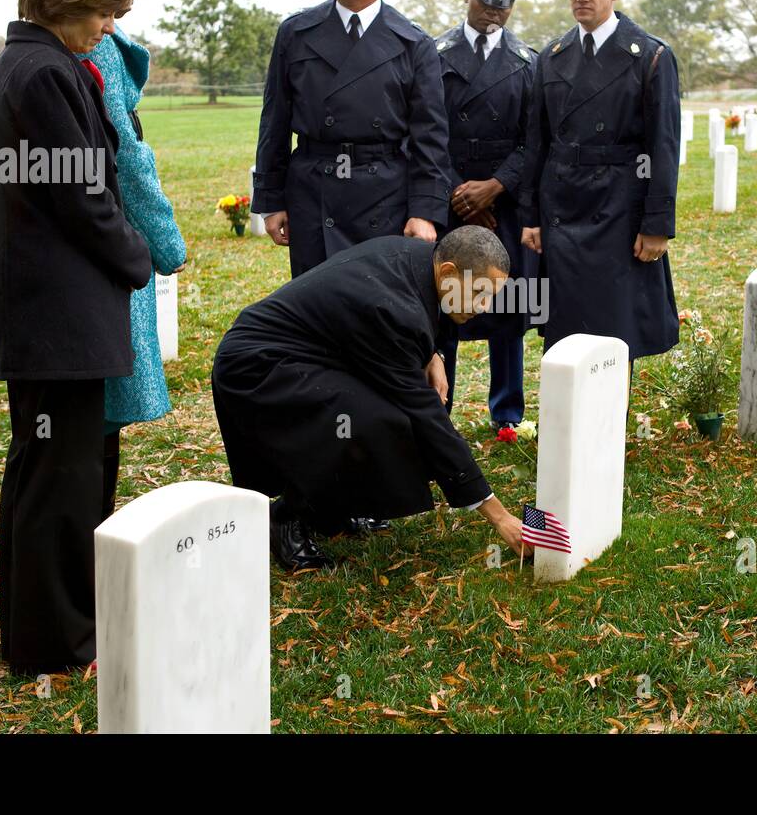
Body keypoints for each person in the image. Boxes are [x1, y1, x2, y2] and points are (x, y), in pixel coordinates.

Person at [0, 0, 149, 675]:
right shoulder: (45, 74)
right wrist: (138, 259)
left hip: (44, 312)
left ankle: (36, 631)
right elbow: (84, 197)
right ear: (62, 3)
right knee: (60, 483)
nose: (106, 28)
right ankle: (57, 642)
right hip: (59, 313)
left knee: (40, 473)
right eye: (101, 12)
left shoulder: (24, 66)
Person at [212, 227, 530, 571]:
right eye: (480, 293)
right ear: (450, 272)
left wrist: (432, 353)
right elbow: (426, 416)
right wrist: (500, 517)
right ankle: (286, 517)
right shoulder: (394, 309)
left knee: (378, 415)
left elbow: (416, 316)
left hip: (310, 356)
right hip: (258, 367)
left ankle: (335, 507)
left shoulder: (421, 259)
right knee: (368, 421)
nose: (483, 307)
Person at [62, 0, 188, 514]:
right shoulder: (98, 44)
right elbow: (127, 158)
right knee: (95, 425)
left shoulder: (66, 37)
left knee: (87, 427)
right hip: (107, 246)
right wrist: (164, 245)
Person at [252, 0, 451, 278]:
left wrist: (424, 211)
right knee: (317, 309)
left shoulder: (413, 44)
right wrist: (271, 198)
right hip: (314, 194)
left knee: (375, 306)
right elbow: (274, 122)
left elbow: (431, 137)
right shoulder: (296, 33)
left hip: (383, 197)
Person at [519, 0, 680, 373]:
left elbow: (663, 147)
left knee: (614, 326)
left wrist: (657, 225)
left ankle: (606, 431)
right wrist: (530, 216)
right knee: (565, 324)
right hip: (562, 211)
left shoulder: (649, 56)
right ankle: (568, 425)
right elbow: (538, 144)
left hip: (618, 211)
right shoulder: (551, 58)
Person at [433, 0, 538, 431]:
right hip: (450, 198)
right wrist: (463, 197)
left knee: (509, 305)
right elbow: (426, 134)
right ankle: (441, 408)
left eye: (504, 4)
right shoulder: (432, 55)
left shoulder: (527, 62)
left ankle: (508, 413)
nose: (493, 10)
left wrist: (495, 188)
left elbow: (534, 140)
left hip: (504, 203)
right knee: (446, 304)